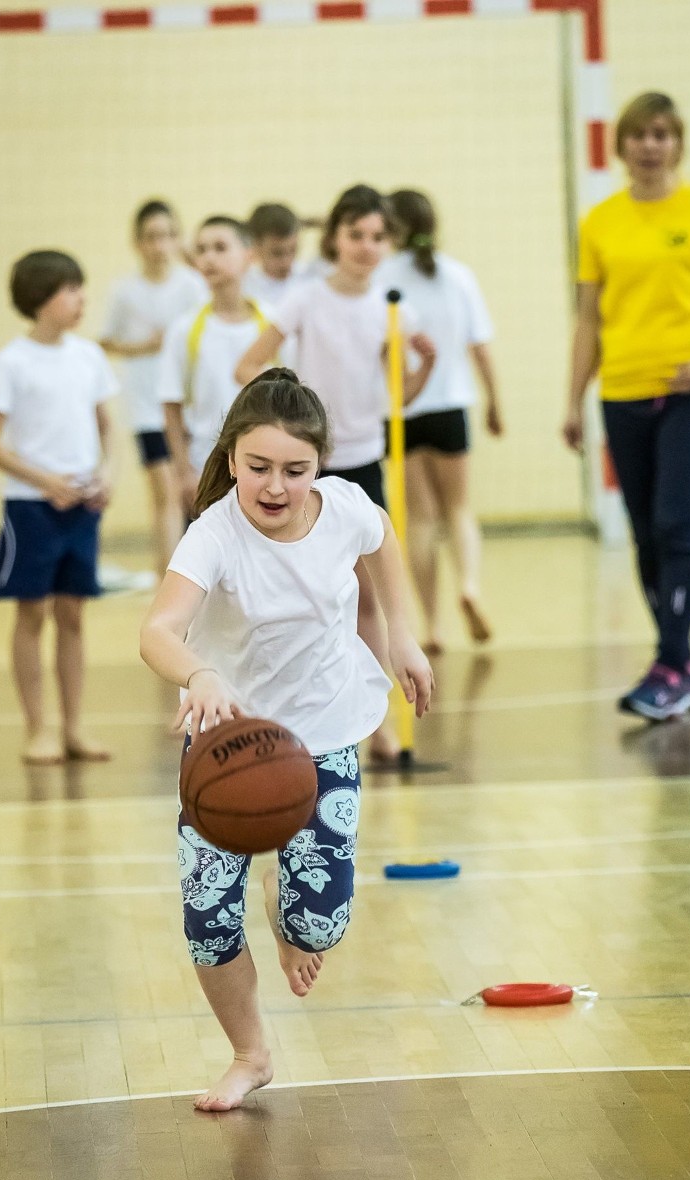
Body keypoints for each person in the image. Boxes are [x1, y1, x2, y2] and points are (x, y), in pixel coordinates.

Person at [139, 369, 433, 1111]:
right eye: (259, 467)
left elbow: (382, 538)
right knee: (207, 918)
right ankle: (250, 1053)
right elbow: (157, 630)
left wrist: (402, 635)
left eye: (296, 471)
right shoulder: (212, 535)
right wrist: (200, 673)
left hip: (324, 730)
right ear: (232, 457)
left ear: (320, 466)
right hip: (227, 744)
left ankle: (286, 898)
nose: (276, 486)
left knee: (318, 925)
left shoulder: (342, 508)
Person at [562, 92, 690, 721]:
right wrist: (572, 399)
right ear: (621, 145)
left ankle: (670, 664)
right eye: (640, 134)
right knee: (646, 536)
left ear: (678, 144)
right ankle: (680, 664)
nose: (650, 145)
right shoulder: (601, 223)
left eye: (663, 134)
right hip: (623, 395)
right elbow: (588, 319)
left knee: (675, 524)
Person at [236, 185, 436, 759]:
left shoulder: (393, 307)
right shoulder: (304, 300)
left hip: (364, 457)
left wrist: (426, 362)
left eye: (377, 237)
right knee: (307, 593)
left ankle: (376, 727)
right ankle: (289, 711)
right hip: (305, 470)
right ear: (334, 239)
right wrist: (283, 418)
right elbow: (248, 365)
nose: (366, 247)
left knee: (367, 598)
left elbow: (401, 396)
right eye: (355, 235)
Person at [0, 250, 118, 764]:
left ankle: (75, 726)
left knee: (73, 616)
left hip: (82, 505)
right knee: (32, 613)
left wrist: (108, 473)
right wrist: (45, 482)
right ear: (40, 298)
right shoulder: (11, 361)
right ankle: (38, 728)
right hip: (30, 509)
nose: (81, 299)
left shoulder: (89, 357)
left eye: (81, 288)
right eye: (70, 290)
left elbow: (106, 426)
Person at [378, 189, 505, 654]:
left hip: (403, 409)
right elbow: (481, 346)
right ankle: (469, 585)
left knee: (422, 518)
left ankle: (433, 626)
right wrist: (495, 401)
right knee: (459, 509)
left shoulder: (383, 277)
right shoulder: (458, 276)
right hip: (452, 404)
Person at [100, 200, 207, 575]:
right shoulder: (124, 291)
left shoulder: (193, 285)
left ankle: (198, 577)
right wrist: (145, 346)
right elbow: (106, 341)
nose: (160, 244)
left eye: (168, 235)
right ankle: (168, 578)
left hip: (191, 406)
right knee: (166, 492)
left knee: (194, 490)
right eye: (152, 237)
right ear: (138, 242)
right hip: (146, 406)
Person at [158, 216, 270, 517]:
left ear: (249, 256)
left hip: (268, 473)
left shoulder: (274, 323)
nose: (208, 258)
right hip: (206, 470)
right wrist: (184, 473)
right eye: (202, 249)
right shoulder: (184, 329)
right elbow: (171, 406)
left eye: (220, 248)